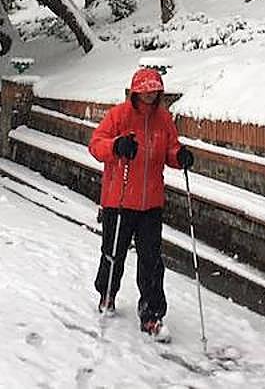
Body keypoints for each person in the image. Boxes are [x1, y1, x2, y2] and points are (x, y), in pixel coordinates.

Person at [88, 66, 194, 340]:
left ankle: (152, 314)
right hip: (119, 200)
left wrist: (180, 156)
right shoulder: (118, 115)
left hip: (151, 203)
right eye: (145, 91)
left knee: (151, 260)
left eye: (154, 91)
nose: (149, 96)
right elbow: (96, 145)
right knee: (113, 253)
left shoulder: (163, 119)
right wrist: (117, 146)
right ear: (135, 92)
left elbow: (170, 149)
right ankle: (107, 293)